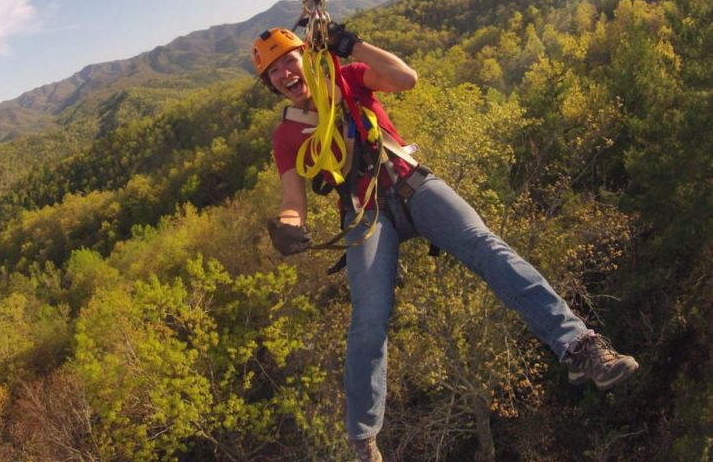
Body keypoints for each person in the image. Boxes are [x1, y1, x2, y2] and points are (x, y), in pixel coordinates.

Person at [251, 25, 639, 462]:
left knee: (486, 246)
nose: (285, 72)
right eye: (274, 71)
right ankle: (363, 440)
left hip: (410, 184)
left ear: (307, 56)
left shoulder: (349, 78)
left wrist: (350, 45)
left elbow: (405, 78)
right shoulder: (286, 136)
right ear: (270, 85)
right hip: (366, 212)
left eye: (289, 60)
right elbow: (293, 200)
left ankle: (582, 347)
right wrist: (286, 227)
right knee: (369, 318)